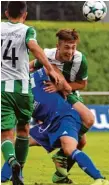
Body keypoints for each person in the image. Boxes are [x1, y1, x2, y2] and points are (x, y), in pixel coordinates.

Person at [1, 67, 109, 185]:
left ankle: (100, 179)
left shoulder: (35, 77)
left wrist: (61, 84)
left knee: (69, 148)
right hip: (48, 124)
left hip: (64, 117)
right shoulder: (14, 94)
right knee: (21, 143)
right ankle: (3, 177)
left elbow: (51, 67)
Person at [1, 2, 61, 185]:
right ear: (25, 15)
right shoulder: (27, 30)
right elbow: (33, 46)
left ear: (6, 13)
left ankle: (12, 162)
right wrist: (50, 69)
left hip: (3, 89)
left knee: (5, 135)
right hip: (24, 90)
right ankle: (19, 172)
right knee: (23, 131)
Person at [29, 28, 95, 183]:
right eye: (67, 47)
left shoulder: (80, 60)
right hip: (50, 98)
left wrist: (63, 87)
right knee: (87, 122)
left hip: (69, 93)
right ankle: (49, 144)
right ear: (58, 46)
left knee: (82, 142)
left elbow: (82, 84)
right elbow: (31, 66)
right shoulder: (48, 56)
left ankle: (60, 174)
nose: (70, 51)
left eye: (73, 47)